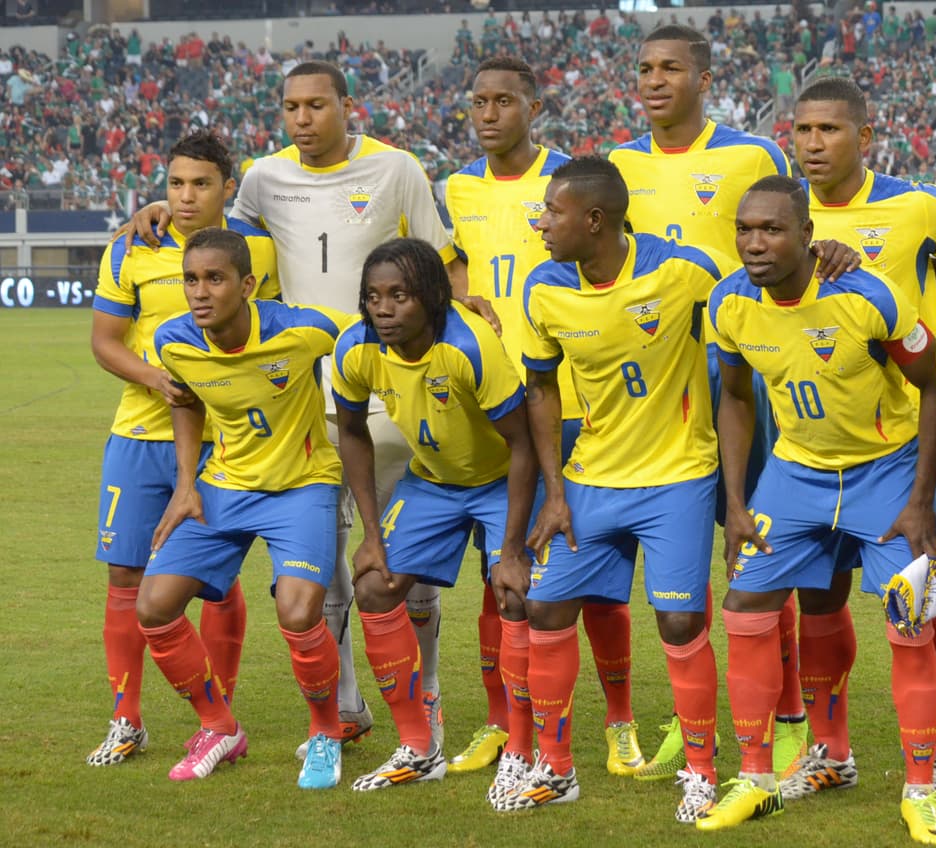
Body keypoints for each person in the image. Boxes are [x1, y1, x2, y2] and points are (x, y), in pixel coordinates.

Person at [124, 60, 472, 755]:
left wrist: (460, 317)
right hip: (308, 398)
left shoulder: (397, 168)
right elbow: (222, 236)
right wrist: (164, 209)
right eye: (290, 107)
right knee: (326, 564)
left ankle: (427, 690)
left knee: (402, 560)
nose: (302, 119)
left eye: (316, 105)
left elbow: (441, 260)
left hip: (390, 389)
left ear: (348, 106)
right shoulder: (263, 177)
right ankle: (344, 706)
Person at [699, 176, 936, 843]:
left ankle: (923, 787)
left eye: (773, 229)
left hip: (887, 471)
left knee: (910, 615)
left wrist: (922, 499)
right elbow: (733, 397)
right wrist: (737, 500)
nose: (756, 243)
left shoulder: (867, 295)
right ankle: (768, 776)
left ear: (808, 236)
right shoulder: (728, 303)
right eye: (746, 229)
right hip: (795, 472)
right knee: (746, 607)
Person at [606, 24, 808, 780]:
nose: (655, 81)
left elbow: (794, 233)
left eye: (671, 68)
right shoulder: (620, 165)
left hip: (741, 376)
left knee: (756, 543)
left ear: (704, 76)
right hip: (654, 388)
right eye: (645, 69)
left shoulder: (751, 155)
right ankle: (690, 719)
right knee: (677, 569)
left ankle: (788, 716)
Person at [499, 157, 725, 823]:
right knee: (545, 610)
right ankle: (557, 769)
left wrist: (831, 259)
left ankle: (703, 771)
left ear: (594, 221)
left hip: (678, 475)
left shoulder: (683, 270)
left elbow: (767, 286)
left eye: (552, 212)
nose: (539, 222)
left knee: (680, 620)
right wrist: (557, 491)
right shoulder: (543, 288)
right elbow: (541, 390)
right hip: (592, 478)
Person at [444, 56, 639, 780]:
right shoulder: (457, 187)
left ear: (534, 107)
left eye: (504, 101)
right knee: (503, 571)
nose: (489, 113)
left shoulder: (572, 182)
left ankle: (620, 723)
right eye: (478, 101)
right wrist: (465, 293)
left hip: (574, 399)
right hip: (495, 403)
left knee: (593, 575)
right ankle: (504, 724)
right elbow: (458, 259)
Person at [788, 76, 936, 816]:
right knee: (817, 598)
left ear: (867, 135)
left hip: (899, 442)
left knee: (912, 605)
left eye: (829, 129)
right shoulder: (778, 213)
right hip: (809, 442)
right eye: (802, 130)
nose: (813, 143)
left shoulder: (919, 206)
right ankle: (831, 752)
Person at [87, 130, 278, 767]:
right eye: (175, 183)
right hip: (140, 438)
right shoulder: (133, 247)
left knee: (216, 583)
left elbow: (270, 335)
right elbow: (106, 341)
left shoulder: (259, 251)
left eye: (200, 183)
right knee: (125, 575)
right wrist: (156, 380)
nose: (186, 195)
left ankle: (217, 715)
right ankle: (125, 719)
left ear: (230, 187)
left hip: (223, 441)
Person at [140, 228, 346, 789]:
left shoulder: (303, 329)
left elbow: (375, 330)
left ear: (248, 284)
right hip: (223, 485)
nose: (199, 292)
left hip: (302, 484)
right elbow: (185, 403)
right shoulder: (174, 341)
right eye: (190, 279)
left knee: (299, 612)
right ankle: (220, 727)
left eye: (214, 278)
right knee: (154, 606)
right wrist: (186, 484)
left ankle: (327, 733)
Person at [331, 238, 537, 795]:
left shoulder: (470, 345)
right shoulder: (356, 347)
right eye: (373, 296)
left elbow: (523, 445)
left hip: (500, 479)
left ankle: (521, 747)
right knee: (374, 584)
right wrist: (372, 536)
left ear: (432, 298)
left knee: (516, 593)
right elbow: (352, 432)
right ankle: (419, 747)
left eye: (400, 295)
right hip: (433, 480)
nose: (385, 308)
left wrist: (513, 549)